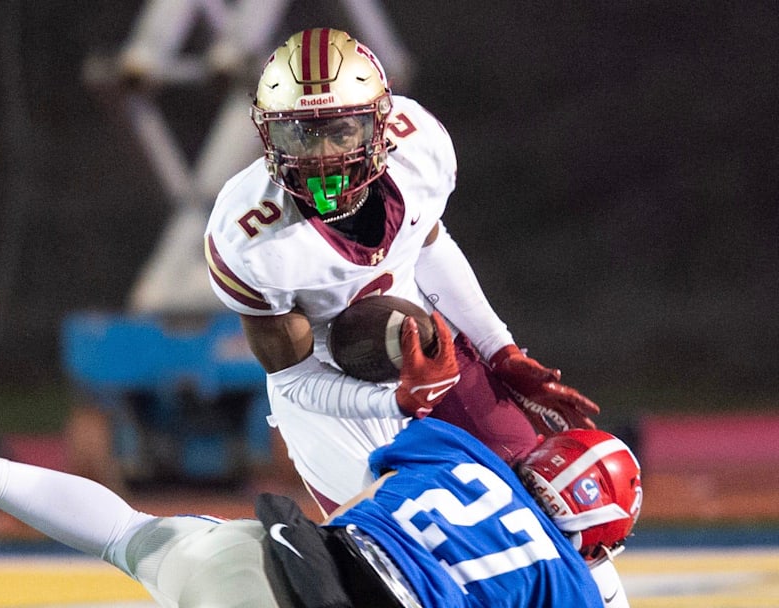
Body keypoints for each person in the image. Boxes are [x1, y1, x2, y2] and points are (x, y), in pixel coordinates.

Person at [203, 27, 600, 513]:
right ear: (268, 133)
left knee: (541, 493)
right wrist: (392, 403)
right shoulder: (248, 236)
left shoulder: (419, 149)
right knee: (393, 544)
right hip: (331, 396)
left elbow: (429, 247)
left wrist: (500, 351)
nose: (323, 157)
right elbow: (294, 379)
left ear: (380, 124)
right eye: (299, 133)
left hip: (428, 343)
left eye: (339, 129)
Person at [0, 415, 640, 607]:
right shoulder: (573, 580)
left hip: (274, 558)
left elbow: (359, 486)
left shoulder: (452, 449)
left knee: (130, 535)